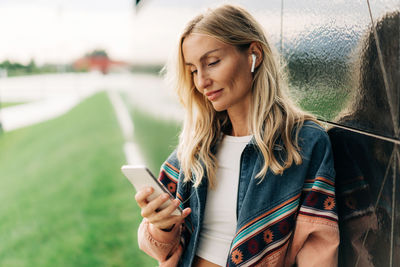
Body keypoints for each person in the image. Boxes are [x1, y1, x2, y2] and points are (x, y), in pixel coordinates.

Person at [135, 4, 339, 267]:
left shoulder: (304, 143)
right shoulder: (197, 147)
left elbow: (318, 251)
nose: (202, 81)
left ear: (254, 54)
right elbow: (161, 249)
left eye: (212, 62)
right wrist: (160, 225)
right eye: (193, 70)